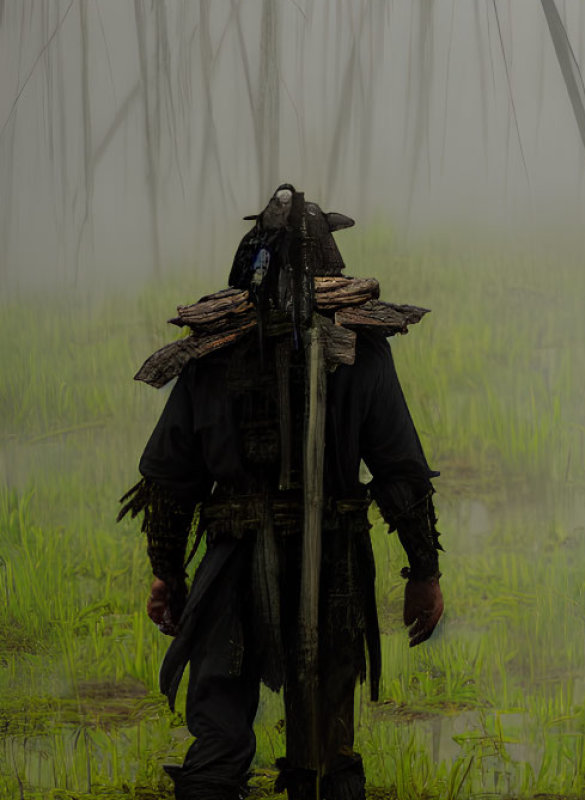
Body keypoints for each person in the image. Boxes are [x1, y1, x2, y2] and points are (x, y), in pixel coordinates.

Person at [118, 185, 444, 800]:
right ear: (330, 266)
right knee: (318, 749)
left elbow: (172, 480)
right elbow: (400, 471)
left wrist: (168, 572)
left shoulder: (219, 354)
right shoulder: (352, 352)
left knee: (242, 743)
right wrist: (424, 572)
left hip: (255, 562)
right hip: (294, 565)